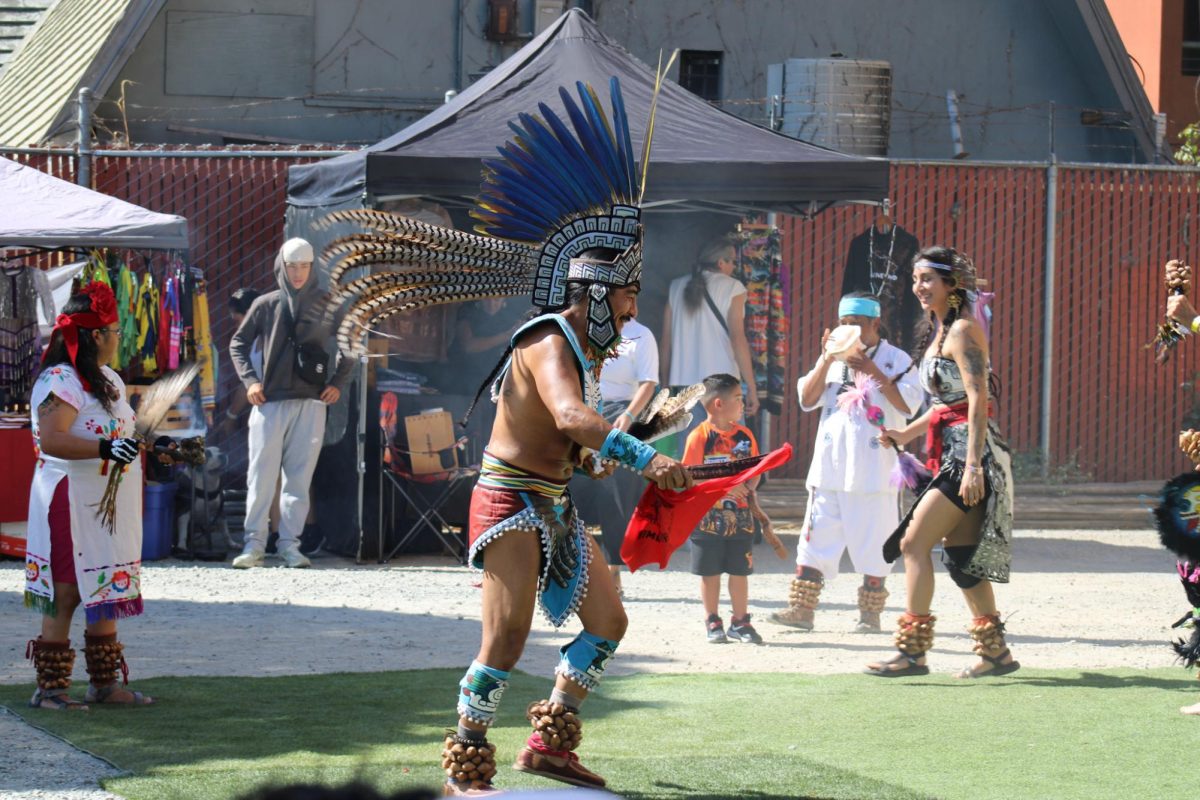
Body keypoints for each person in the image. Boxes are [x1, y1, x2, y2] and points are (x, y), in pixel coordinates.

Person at [864, 246, 1018, 678]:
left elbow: (977, 399)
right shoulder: (940, 331)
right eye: (915, 279)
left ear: (952, 286)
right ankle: (996, 654)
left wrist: (972, 466)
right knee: (963, 557)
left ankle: (912, 652)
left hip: (971, 457)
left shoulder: (964, 331)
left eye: (928, 279)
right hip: (951, 453)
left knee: (913, 543)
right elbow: (941, 405)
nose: (919, 287)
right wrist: (904, 434)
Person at [23, 282, 155, 709]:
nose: (119, 338)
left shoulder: (108, 379)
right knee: (67, 589)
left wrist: (160, 448)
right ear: (96, 335)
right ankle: (51, 690)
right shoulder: (60, 379)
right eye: (114, 331)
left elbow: (123, 434)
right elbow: (53, 438)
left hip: (107, 502)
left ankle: (103, 684)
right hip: (70, 496)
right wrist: (103, 448)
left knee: (107, 585)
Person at [771, 292, 923, 633]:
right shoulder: (834, 357)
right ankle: (802, 610)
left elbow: (909, 406)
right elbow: (806, 398)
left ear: (874, 324)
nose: (848, 330)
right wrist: (826, 358)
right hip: (830, 466)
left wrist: (870, 369)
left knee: (875, 542)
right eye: (843, 323)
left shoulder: (896, 360)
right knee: (814, 540)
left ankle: (869, 616)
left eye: (855, 324)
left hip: (875, 471)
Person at [229, 238, 352, 569]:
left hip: (311, 402)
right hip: (269, 402)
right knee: (261, 476)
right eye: (291, 265)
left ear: (312, 267)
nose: (297, 272)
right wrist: (251, 381)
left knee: (299, 478)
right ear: (281, 265)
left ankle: (289, 545)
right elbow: (238, 343)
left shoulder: (329, 304)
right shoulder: (267, 304)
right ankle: (254, 545)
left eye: (304, 265)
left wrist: (337, 383)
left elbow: (350, 343)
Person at [569, 314, 660, 597]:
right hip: (582, 413)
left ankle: (613, 570)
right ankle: (573, 567)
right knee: (573, 488)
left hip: (621, 415)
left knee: (615, 495)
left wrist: (630, 414)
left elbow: (648, 382)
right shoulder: (583, 328)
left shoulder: (641, 334)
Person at [682, 373, 764, 644]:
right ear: (719, 403)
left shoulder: (745, 435)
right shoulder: (699, 436)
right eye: (738, 399)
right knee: (710, 571)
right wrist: (725, 488)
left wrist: (751, 484)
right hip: (707, 519)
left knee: (740, 570)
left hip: (740, 517)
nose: (743, 405)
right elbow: (691, 475)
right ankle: (712, 619)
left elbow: (755, 470)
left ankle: (740, 622)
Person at [660, 237, 761, 447]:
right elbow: (738, 339)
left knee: (691, 454)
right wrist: (751, 386)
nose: (734, 266)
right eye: (732, 261)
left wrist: (665, 385)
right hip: (722, 386)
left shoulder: (676, 287)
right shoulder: (733, 287)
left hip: (685, 386)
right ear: (721, 263)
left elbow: (666, 342)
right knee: (729, 452)